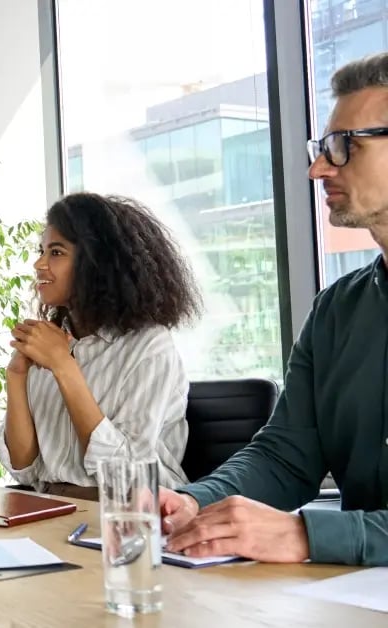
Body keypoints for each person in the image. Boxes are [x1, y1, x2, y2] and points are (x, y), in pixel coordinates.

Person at [160, 52, 388, 567]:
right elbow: (286, 457)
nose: (317, 168)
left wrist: (309, 535)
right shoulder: (336, 311)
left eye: (343, 146)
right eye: (322, 148)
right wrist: (196, 500)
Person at [0, 193, 200, 500]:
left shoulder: (149, 347)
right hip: (53, 508)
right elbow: (25, 469)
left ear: (95, 262)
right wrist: (16, 376)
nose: (39, 264)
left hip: (126, 519)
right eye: (41, 251)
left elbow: (128, 474)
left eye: (56, 252)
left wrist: (64, 368)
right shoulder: (51, 341)